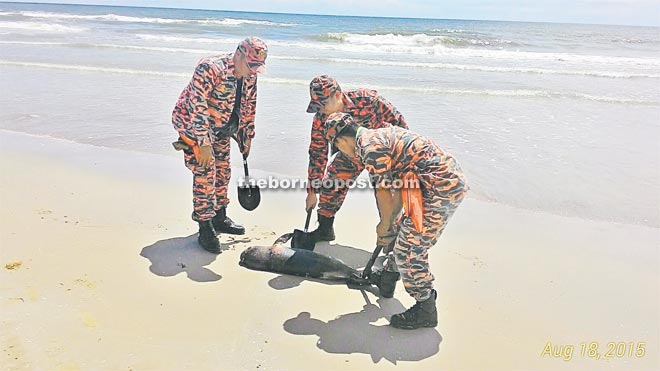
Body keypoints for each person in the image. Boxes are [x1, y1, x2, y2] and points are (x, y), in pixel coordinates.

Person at [324, 112, 468, 330]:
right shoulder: (378, 137)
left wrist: (384, 224)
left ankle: (425, 309)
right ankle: (388, 278)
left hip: (440, 187)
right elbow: (402, 184)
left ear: (342, 140)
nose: (343, 153)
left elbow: (383, 192)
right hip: (425, 185)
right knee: (402, 230)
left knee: (409, 250)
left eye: (338, 148)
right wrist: (392, 222)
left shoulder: (369, 148)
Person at [171, 37, 267, 253]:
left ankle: (219, 216)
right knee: (206, 172)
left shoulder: (250, 74)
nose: (253, 72)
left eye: (257, 67)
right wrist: (203, 142)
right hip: (193, 126)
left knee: (223, 171)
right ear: (239, 54)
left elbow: (249, 104)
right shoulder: (210, 68)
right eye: (251, 65)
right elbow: (197, 105)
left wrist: (247, 135)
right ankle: (205, 226)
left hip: (222, 126)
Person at [304, 75, 409, 243]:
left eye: (323, 104)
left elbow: (401, 126)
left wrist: (401, 164)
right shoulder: (320, 118)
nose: (320, 109)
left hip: (381, 155)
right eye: (316, 105)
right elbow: (317, 154)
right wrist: (312, 191)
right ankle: (324, 229)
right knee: (331, 182)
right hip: (350, 155)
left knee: (388, 196)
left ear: (337, 94)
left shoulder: (368, 100)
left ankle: (393, 238)